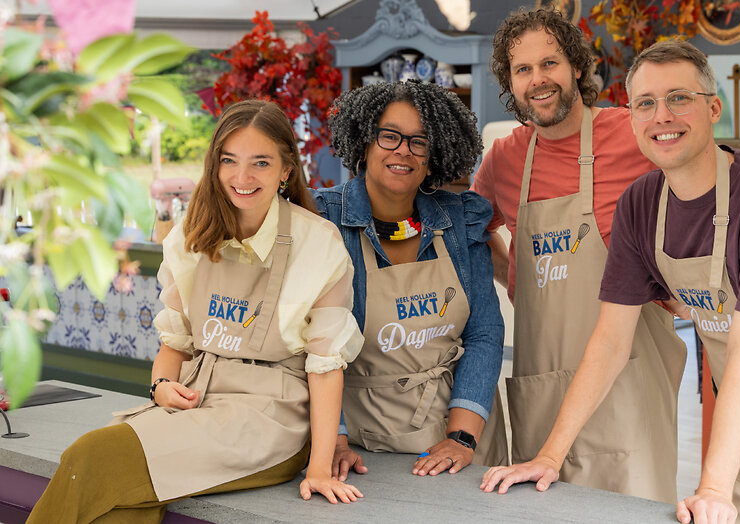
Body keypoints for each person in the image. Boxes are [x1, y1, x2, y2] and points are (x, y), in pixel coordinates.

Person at [481, 40, 740, 524]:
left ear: (713, 107)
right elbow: (610, 342)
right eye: (646, 104)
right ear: (630, 118)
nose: (662, 116)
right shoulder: (641, 205)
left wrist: (713, 487)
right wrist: (548, 456)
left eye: (679, 98)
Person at [28, 100, 365, 523]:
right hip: (196, 403)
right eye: (229, 161)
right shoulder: (191, 233)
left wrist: (318, 468)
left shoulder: (318, 242)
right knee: (116, 509)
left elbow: (326, 366)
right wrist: (161, 387)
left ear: (286, 170)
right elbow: (174, 345)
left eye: (260, 162)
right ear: (214, 165)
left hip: (272, 421)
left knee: (89, 456)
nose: (242, 177)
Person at [470, 7, 686, 500]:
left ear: (575, 67)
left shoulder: (633, 133)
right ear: (510, 81)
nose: (538, 80)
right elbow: (473, 235)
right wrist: (518, 278)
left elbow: (699, 196)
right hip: (543, 380)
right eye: (523, 70)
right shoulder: (505, 157)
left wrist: (676, 282)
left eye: (550, 63)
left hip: (628, 376)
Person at [315, 80, 509, 479]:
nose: (403, 150)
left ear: (432, 155)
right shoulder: (325, 221)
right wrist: (332, 438)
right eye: (389, 136)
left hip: (458, 443)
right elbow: (306, 346)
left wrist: (462, 437)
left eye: (419, 141)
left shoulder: (460, 222)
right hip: (358, 451)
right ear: (364, 141)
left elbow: (484, 335)